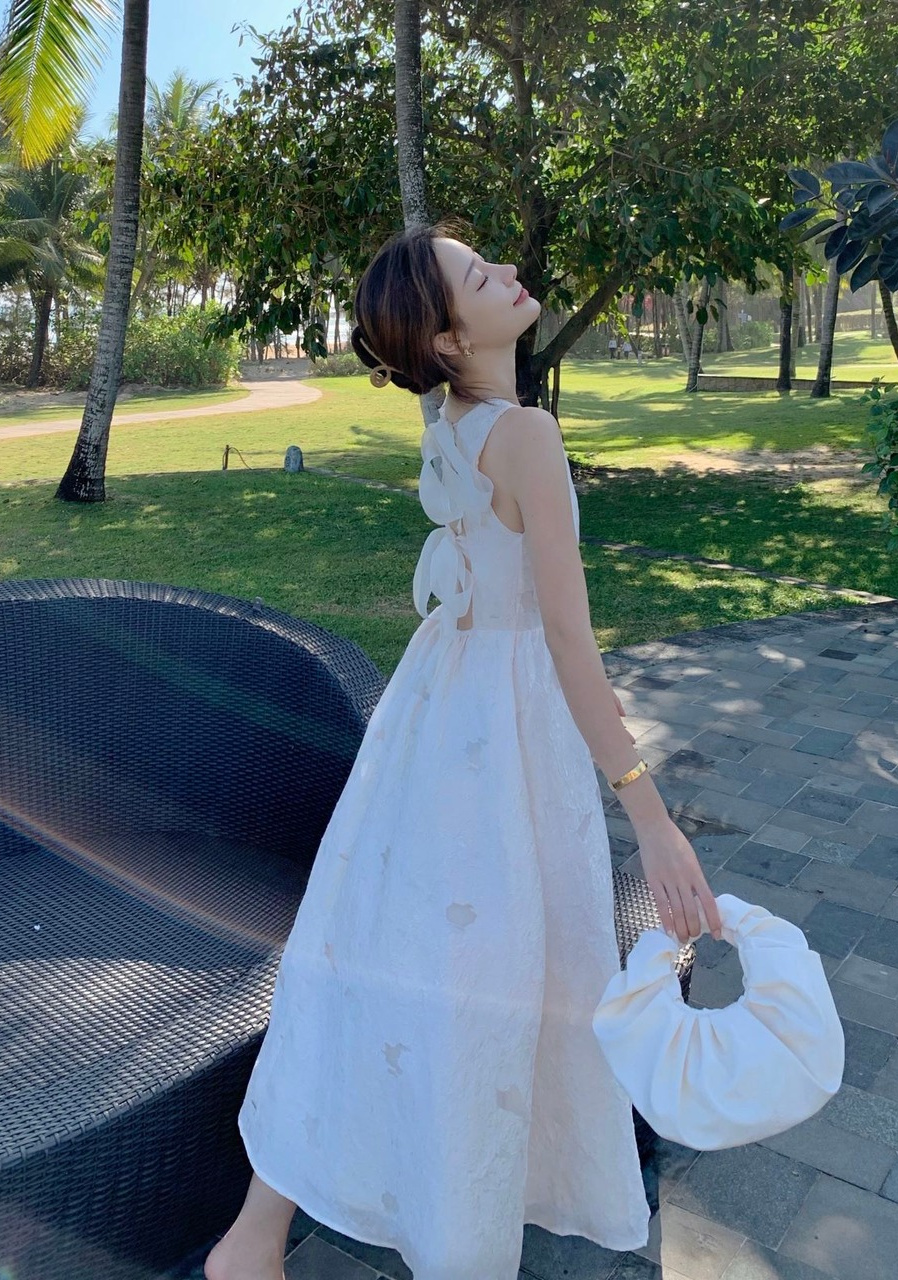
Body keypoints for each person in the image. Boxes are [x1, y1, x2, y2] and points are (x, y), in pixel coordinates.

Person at [205, 221, 723, 1280]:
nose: (512, 274)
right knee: (495, 974)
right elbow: (568, 643)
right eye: (482, 277)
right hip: (500, 733)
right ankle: (445, 1226)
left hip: (439, 715)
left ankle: (258, 1235)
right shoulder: (522, 432)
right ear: (447, 339)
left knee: (382, 951)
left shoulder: (454, 420)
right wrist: (651, 815)